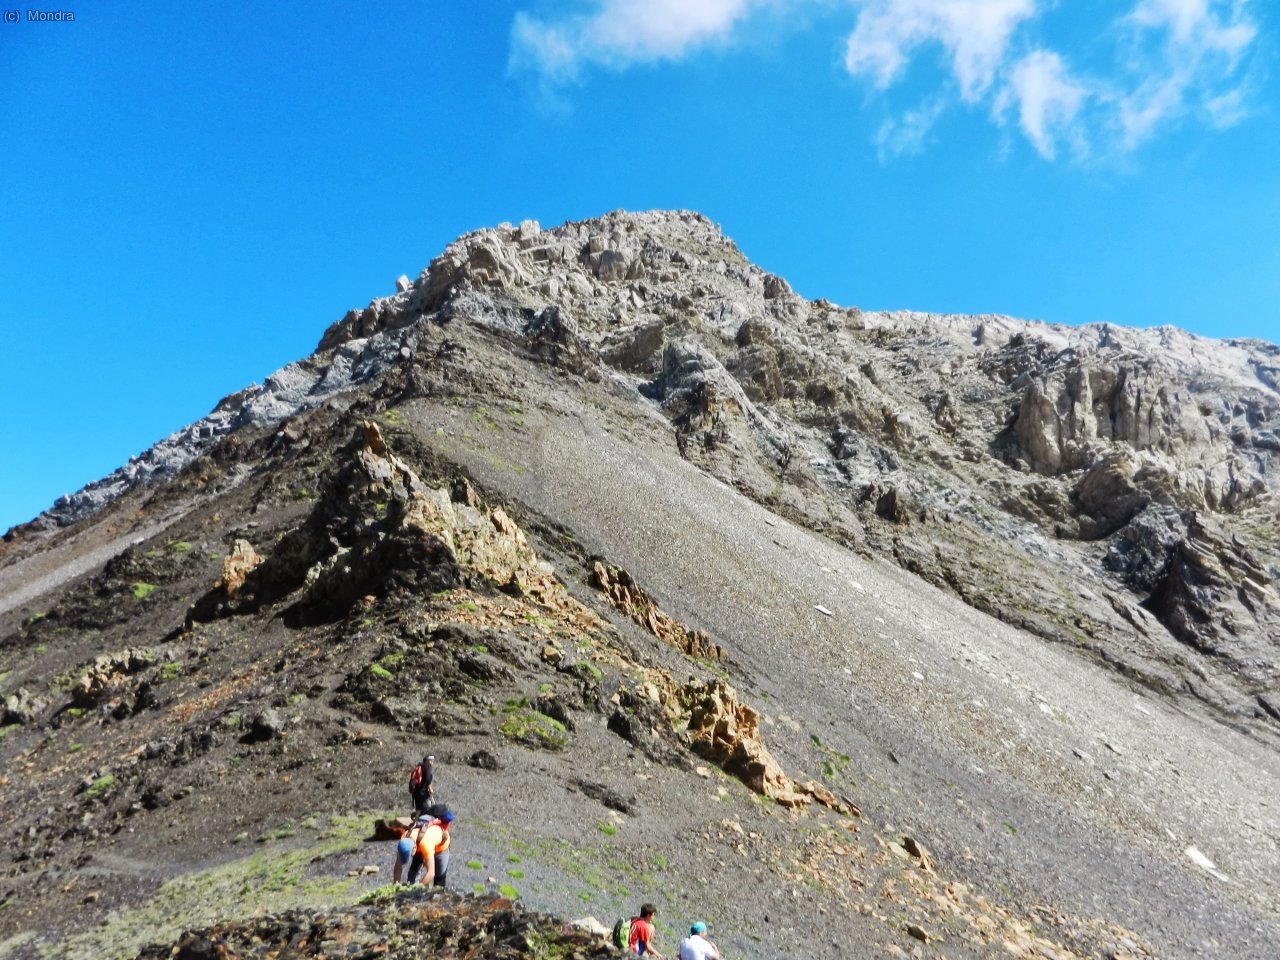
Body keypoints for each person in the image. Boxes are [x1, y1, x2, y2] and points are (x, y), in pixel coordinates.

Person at [392, 806, 452, 886]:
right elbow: (398, 864)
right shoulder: (405, 838)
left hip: (441, 849)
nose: (411, 856)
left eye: (411, 855)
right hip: (420, 845)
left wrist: (417, 888)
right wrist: (396, 884)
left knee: (439, 882)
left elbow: (431, 873)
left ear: (414, 849)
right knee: (412, 876)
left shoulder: (426, 844)